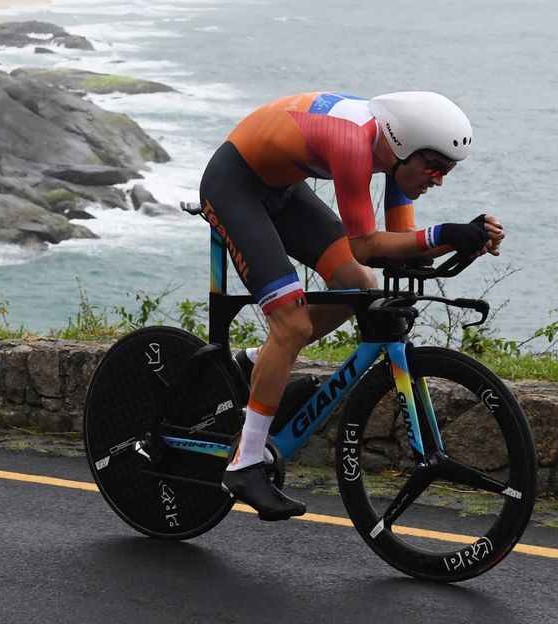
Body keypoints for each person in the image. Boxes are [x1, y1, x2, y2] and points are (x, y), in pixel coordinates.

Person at [199, 90, 504, 521]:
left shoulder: (397, 154)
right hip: (235, 186)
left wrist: (465, 239)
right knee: (292, 326)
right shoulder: (353, 143)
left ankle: (254, 363)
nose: (438, 179)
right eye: (434, 167)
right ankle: (244, 464)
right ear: (404, 146)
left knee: (356, 287)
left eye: (447, 171)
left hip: (282, 189)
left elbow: (398, 247)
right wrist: (444, 234)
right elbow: (364, 245)